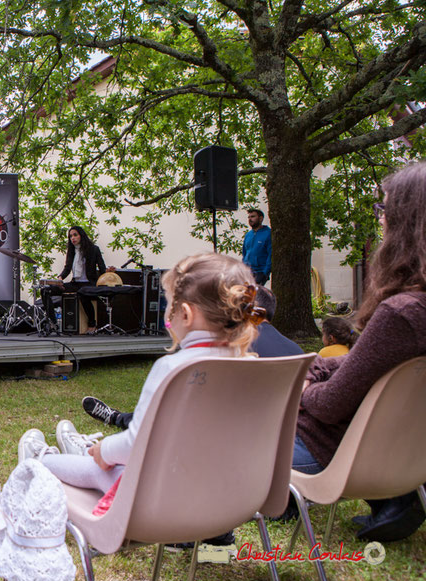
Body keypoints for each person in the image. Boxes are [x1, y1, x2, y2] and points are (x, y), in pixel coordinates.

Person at [18, 253, 262, 546]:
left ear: (185, 314)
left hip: (161, 509)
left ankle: (43, 461)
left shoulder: (174, 369)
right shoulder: (256, 369)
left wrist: (106, 451)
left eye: (168, 304)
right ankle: (215, 550)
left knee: (98, 468)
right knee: (121, 464)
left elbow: (136, 443)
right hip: (232, 506)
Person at [294, 160, 426, 541]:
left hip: (326, 451)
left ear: (407, 220)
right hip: (402, 456)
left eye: (383, 209)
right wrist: (322, 366)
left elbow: (331, 405)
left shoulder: (402, 313)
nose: (379, 220)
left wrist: (303, 391)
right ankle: (395, 498)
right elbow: (371, 366)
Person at [82, 285, 302, 430]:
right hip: (274, 433)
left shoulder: (230, 345)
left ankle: (119, 418)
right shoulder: (297, 352)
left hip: (224, 428)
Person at [40, 226, 108, 334]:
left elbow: (102, 268)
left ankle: (92, 323)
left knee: (83, 293)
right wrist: (60, 279)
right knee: (45, 290)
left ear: (81, 235)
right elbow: (67, 268)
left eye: (75, 235)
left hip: (89, 284)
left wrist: (108, 273)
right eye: (70, 236)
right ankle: (53, 323)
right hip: (75, 283)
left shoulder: (94, 249)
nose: (73, 238)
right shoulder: (72, 251)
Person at [242, 208, 272, 285]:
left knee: (256, 295)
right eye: (249, 217)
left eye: (253, 216)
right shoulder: (248, 235)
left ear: (261, 218)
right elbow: (244, 253)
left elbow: (271, 254)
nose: (250, 219)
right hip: (247, 272)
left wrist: (265, 272)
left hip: (260, 272)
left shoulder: (268, 234)